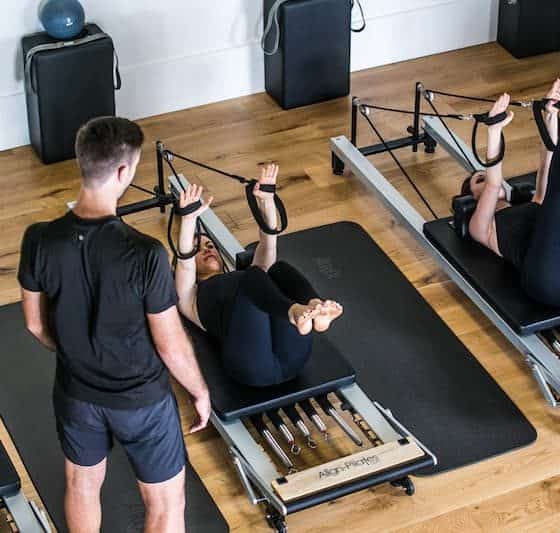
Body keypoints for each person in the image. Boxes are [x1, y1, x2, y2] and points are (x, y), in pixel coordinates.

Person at [18, 117, 211, 533]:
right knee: (165, 505)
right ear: (123, 172)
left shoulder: (38, 239)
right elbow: (171, 345)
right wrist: (199, 391)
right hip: (143, 402)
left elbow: (34, 325)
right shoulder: (144, 254)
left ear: (81, 161)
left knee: (82, 485)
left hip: (76, 396)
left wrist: (74, 350)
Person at [174, 163, 343, 387]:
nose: (206, 248)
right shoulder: (189, 297)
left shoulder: (252, 282)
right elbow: (184, 263)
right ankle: (296, 312)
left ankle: (315, 308)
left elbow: (269, 240)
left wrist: (266, 200)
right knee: (255, 273)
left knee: (277, 269)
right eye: (198, 247)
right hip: (250, 366)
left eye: (209, 244)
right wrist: (188, 220)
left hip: (294, 357)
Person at [464, 79, 560, 306]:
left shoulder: (537, 202)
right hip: (544, 281)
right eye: (478, 180)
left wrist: (550, 115)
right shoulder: (480, 227)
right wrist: (494, 130)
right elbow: (494, 182)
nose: (484, 179)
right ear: (472, 196)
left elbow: (548, 158)